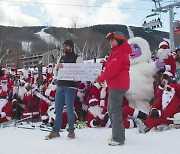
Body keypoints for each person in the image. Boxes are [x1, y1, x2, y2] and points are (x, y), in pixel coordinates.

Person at [96, 32, 132, 146]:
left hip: (117, 85)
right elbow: (112, 66)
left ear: (119, 41)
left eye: (113, 40)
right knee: (112, 109)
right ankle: (119, 134)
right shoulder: (118, 52)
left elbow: (112, 69)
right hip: (116, 84)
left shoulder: (120, 53)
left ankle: (118, 138)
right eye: (110, 40)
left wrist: (100, 78)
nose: (110, 42)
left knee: (114, 111)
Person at [45, 40, 83, 140]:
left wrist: (77, 77)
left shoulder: (77, 58)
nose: (64, 48)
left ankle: (71, 130)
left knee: (70, 109)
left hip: (70, 86)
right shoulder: (61, 58)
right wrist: (57, 67)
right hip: (60, 85)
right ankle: (55, 131)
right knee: (58, 109)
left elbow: (81, 70)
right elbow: (55, 73)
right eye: (63, 46)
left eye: (66, 46)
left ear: (71, 47)